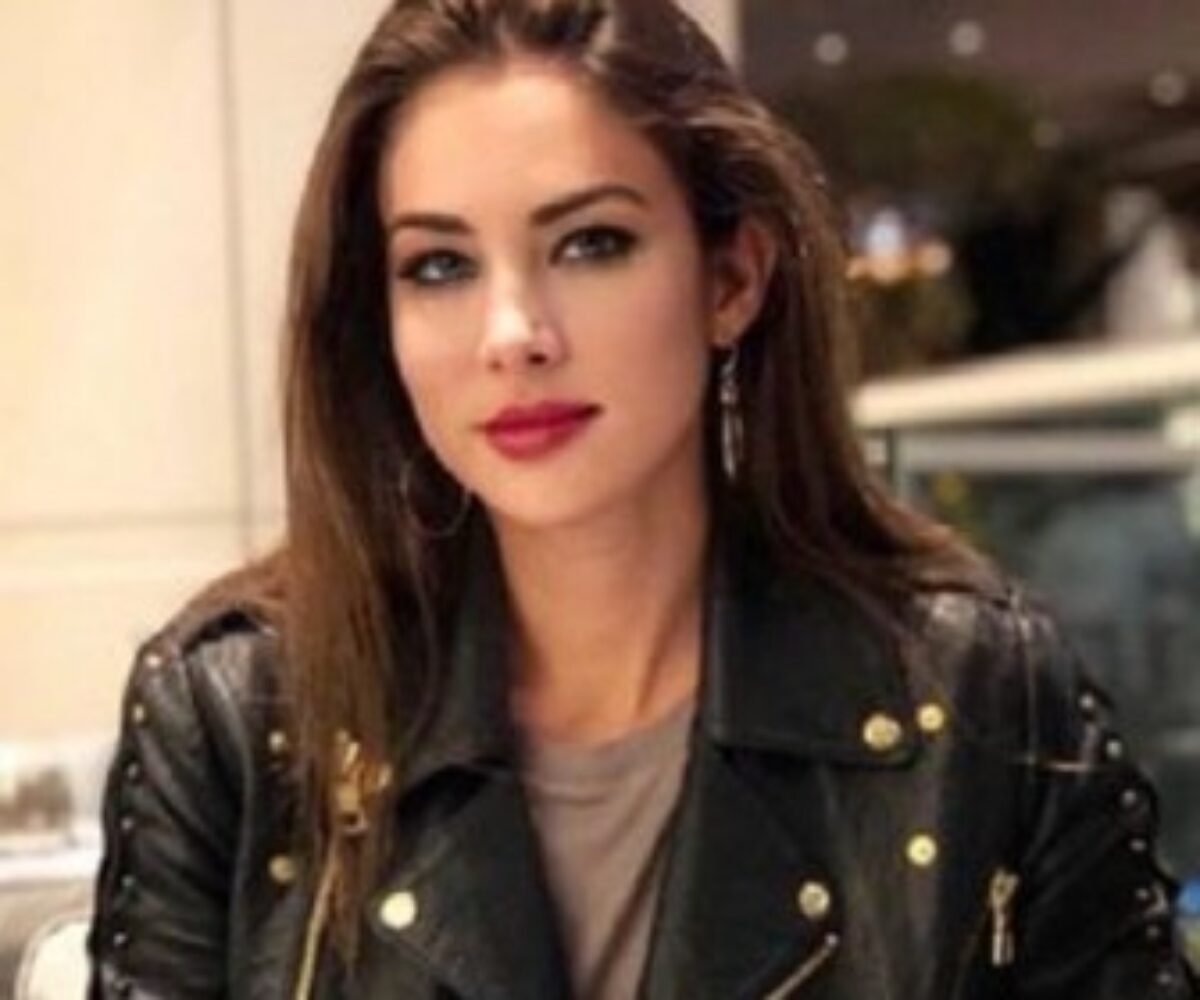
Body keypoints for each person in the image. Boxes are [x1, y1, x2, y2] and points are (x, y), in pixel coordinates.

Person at [86, 1, 1199, 997]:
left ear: (732, 279)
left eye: (591, 244)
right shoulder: (238, 718)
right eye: (439, 266)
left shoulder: (976, 702)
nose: (513, 334)